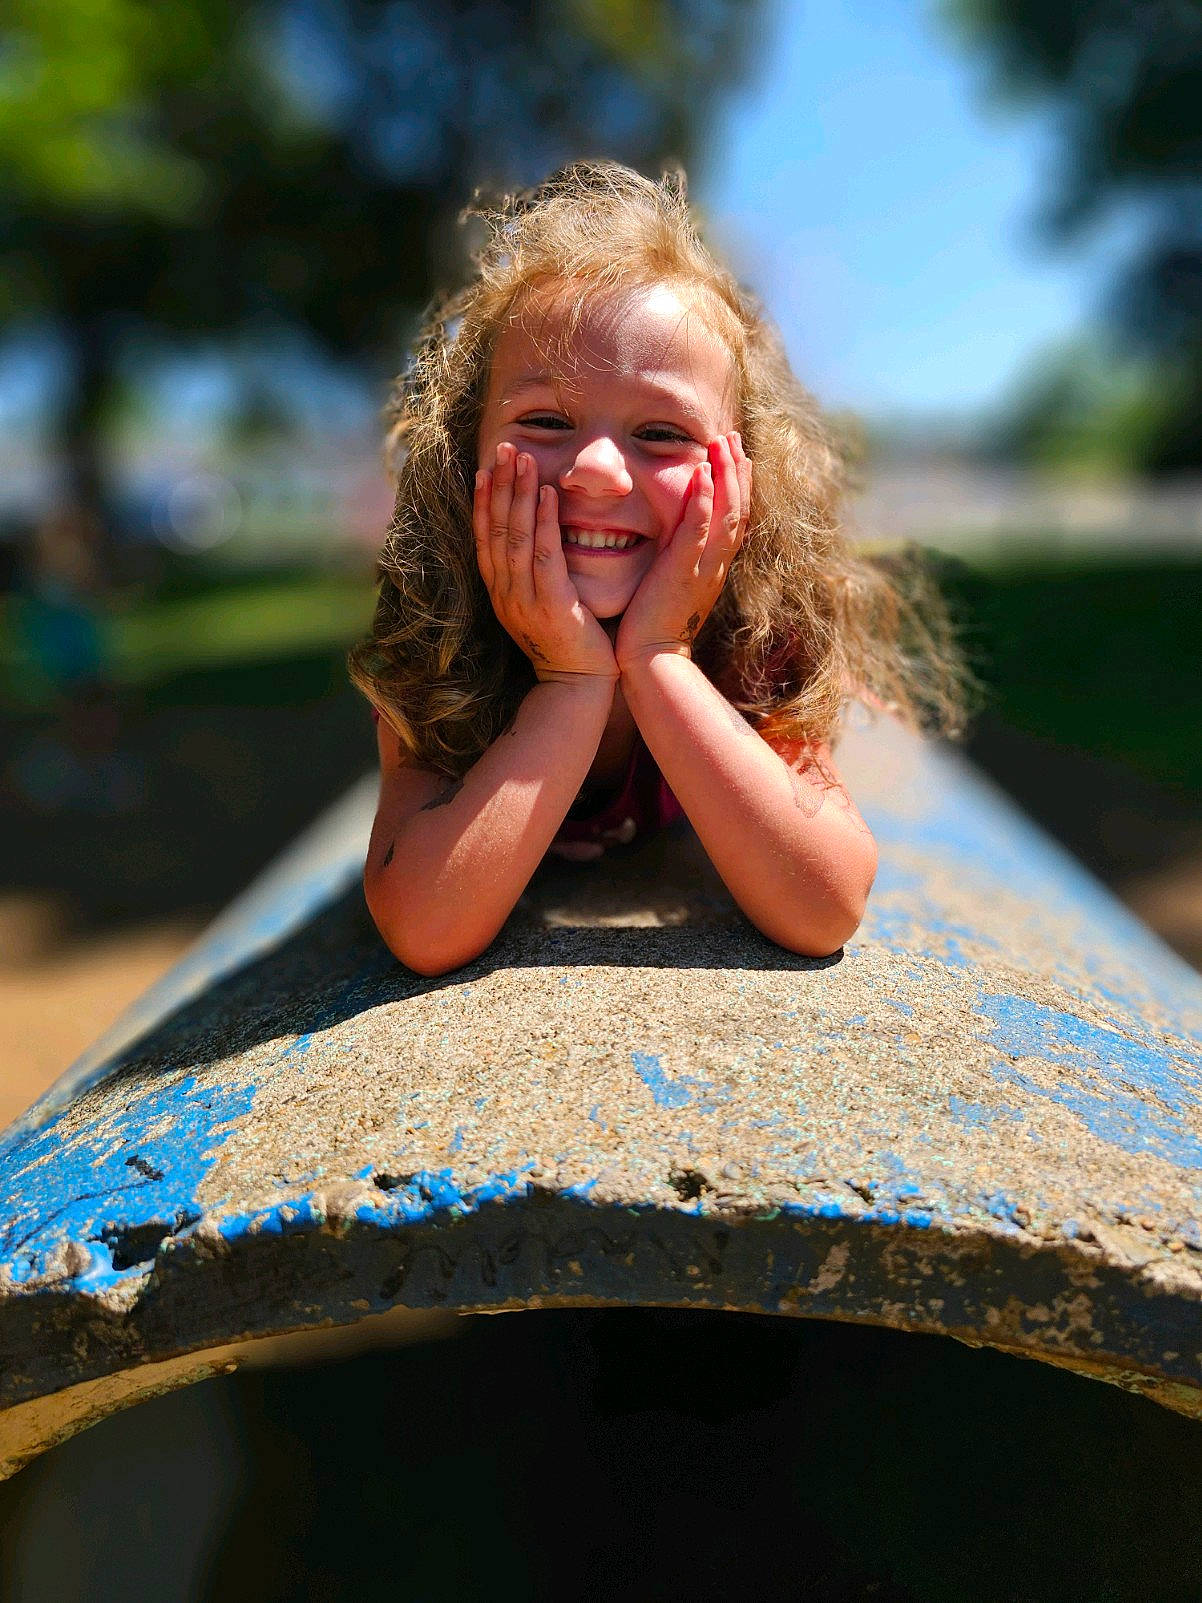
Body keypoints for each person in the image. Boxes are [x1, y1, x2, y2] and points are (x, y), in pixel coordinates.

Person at [349, 162, 963, 976]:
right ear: (467, 449)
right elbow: (424, 925)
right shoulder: (440, 626)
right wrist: (570, 682)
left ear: (745, 477)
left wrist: (659, 658)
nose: (598, 471)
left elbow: (825, 908)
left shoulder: (758, 633)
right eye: (545, 419)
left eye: (662, 434)